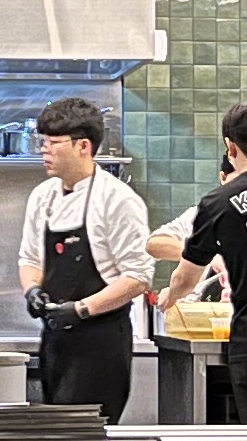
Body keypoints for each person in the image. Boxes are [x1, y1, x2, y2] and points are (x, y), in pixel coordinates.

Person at [19, 98, 151, 417]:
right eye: (43, 142)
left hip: (100, 344)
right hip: (55, 341)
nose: (44, 150)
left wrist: (81, 309)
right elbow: (30, 259)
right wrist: (32, 290)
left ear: (83, 146)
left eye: (54, 143)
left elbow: (138, 277)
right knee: (58, 436)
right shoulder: (42, 196)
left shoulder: (118, 200)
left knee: (87, 437)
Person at [148, 99, 247, 422]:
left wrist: (171, 296)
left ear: (231, 147)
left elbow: (184, 280)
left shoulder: (218, 203)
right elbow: (154, 243)